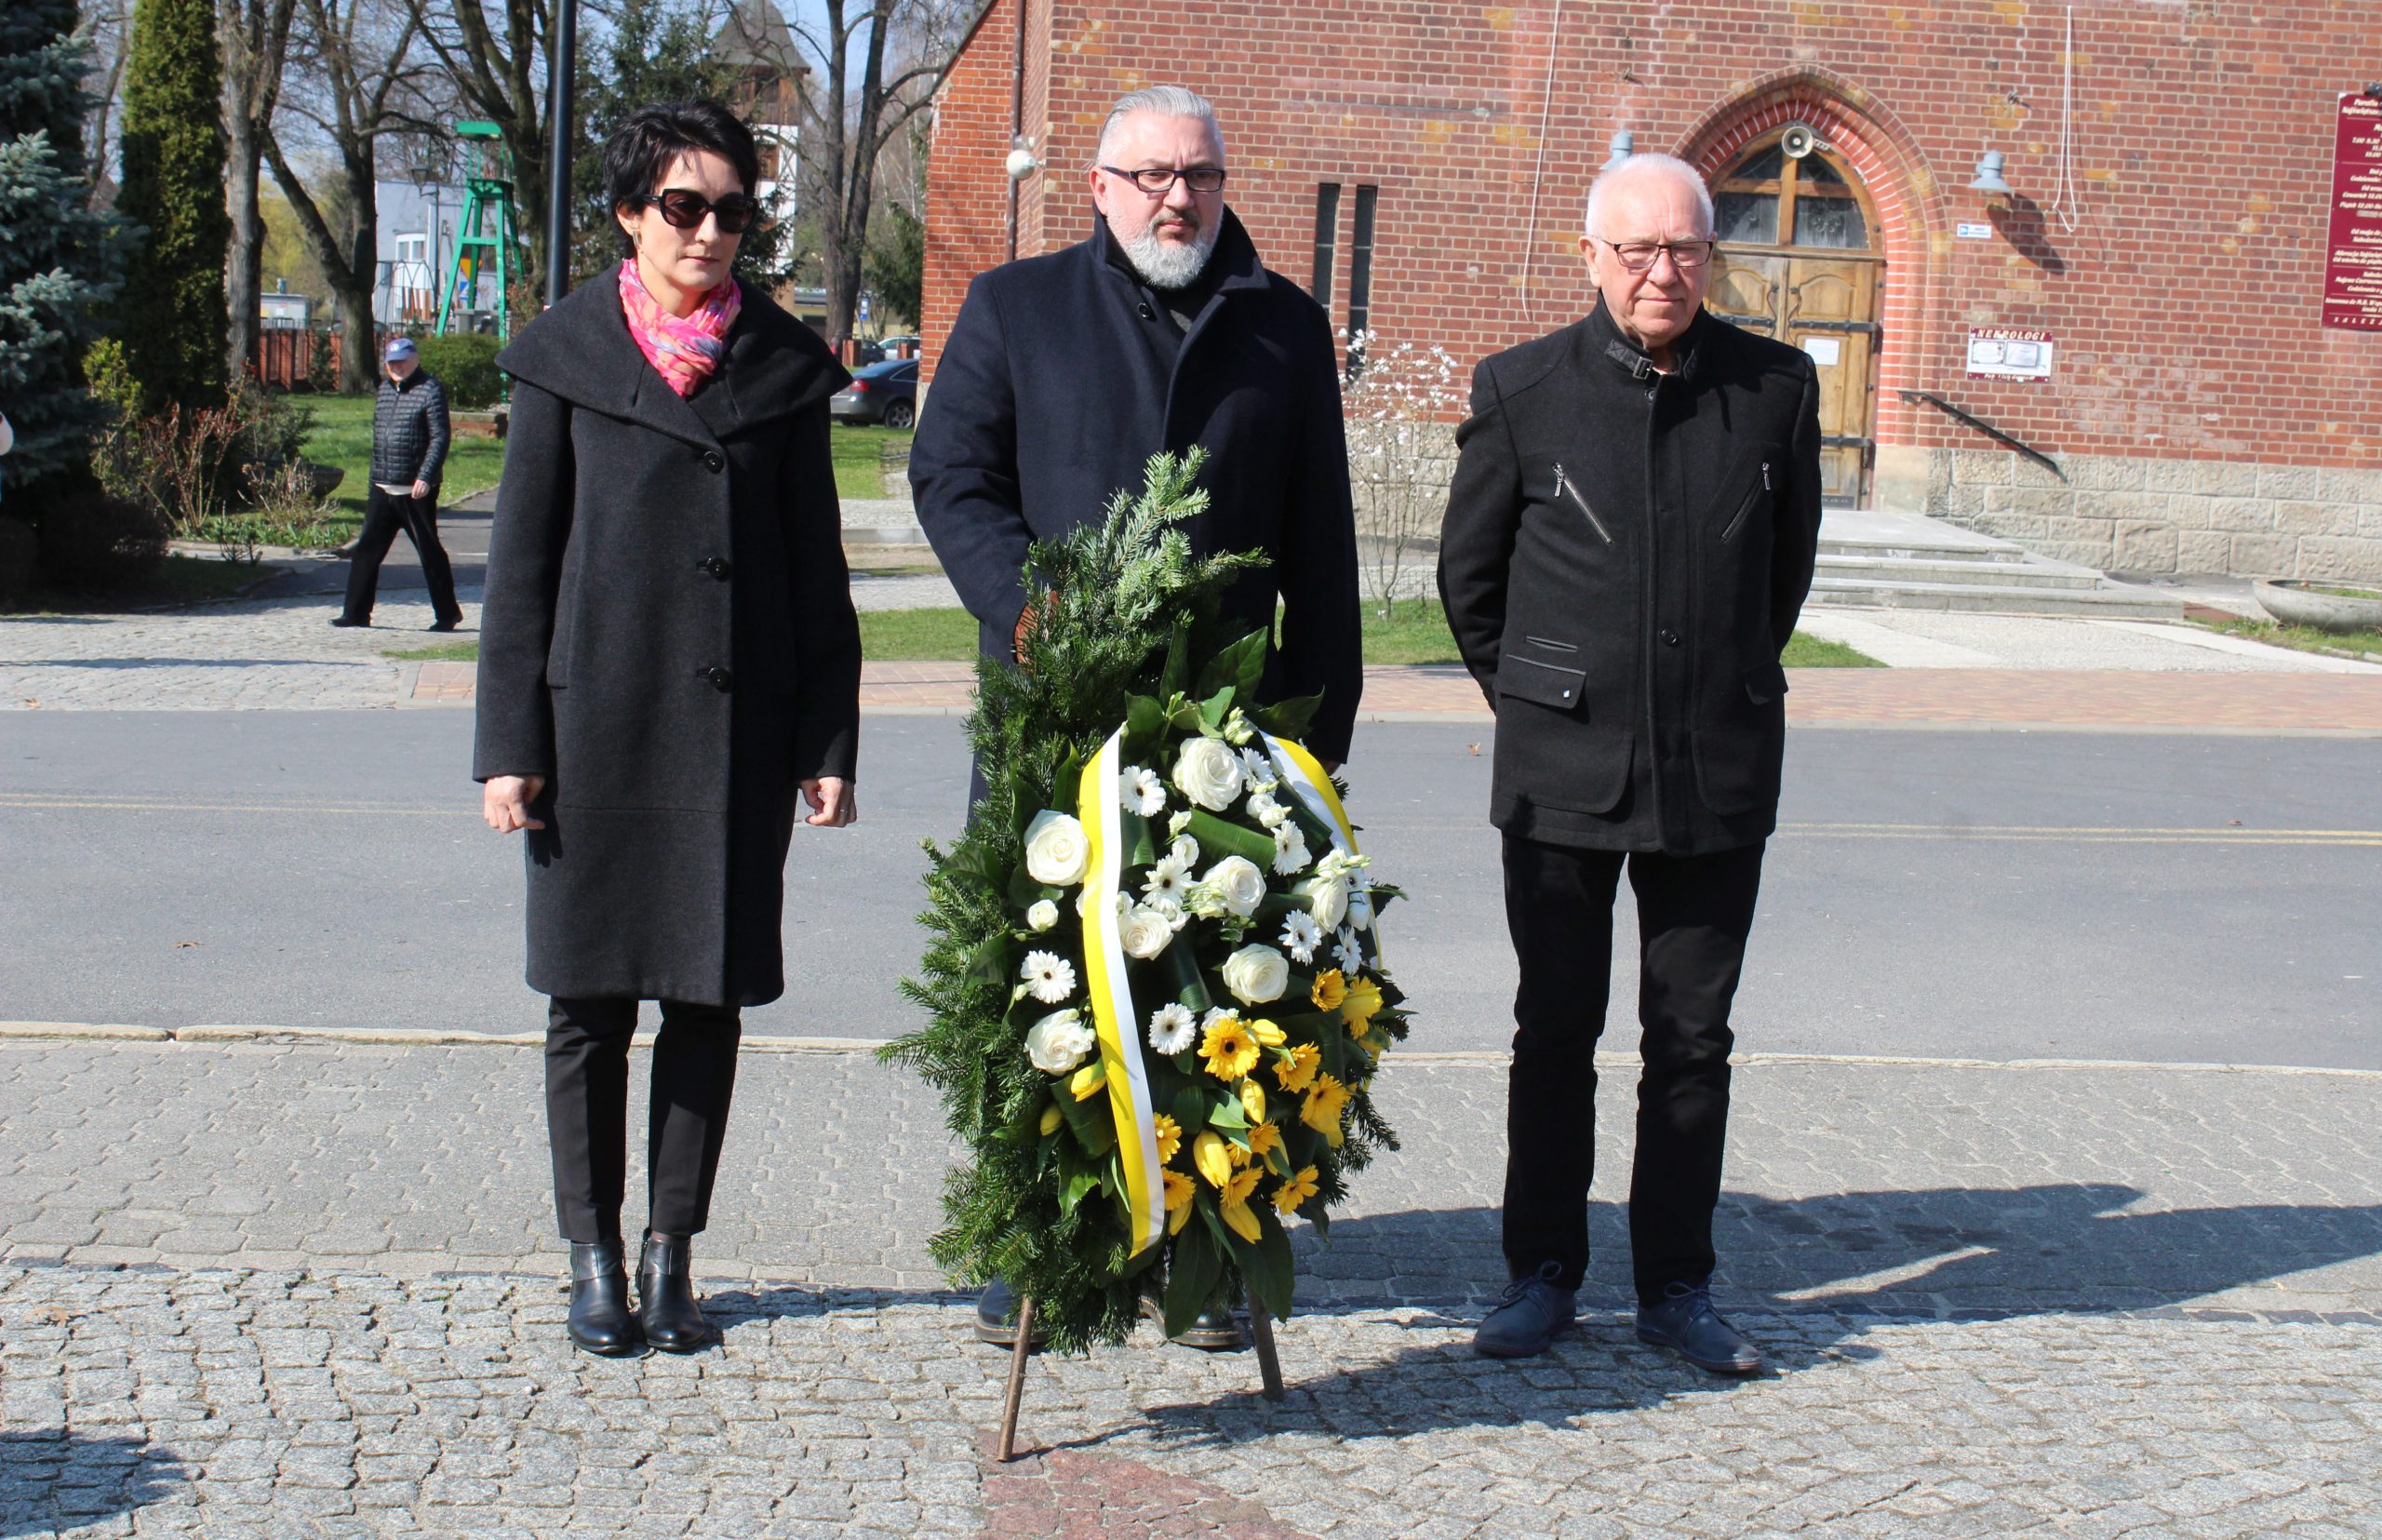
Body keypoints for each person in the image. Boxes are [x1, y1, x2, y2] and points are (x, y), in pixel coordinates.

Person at [909, 83, 1364, 1351]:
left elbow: (1321, 548)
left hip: (1222, 723)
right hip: (1054, 711)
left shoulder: (1284, 329)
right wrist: (1025, 605)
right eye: (1154, 174)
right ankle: (1035, 1236)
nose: (1180, 196)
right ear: (1099, 187)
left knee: (1214, 980)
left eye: (1202, 174)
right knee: (1040, 978)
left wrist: (1320, 742)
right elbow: (948, 473)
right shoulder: (1015, 308)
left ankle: (1204, 1250)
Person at [474, 100, 863, 1359]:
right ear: (632, 214)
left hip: (738, 734)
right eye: (683, 207)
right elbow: (521, 572)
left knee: (706, 999)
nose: (708, 232)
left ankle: (671, 1250)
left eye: (731, 211)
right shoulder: (562, 356)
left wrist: (828, 741)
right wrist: (506, 745)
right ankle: (591, 1253)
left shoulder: (785, 369)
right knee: (587, 1006)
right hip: (592, 736)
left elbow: (818, 574)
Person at [1437, 153, 1824, 1372]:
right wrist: (1553, 698)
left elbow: (1783, 574)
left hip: (1716, 769)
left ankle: (1678, 1284)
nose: (1665, 273)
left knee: (1691, 1041)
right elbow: (1471, 581)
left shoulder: (1775, 389)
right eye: (1639, 251)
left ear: (1713, 256)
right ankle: (1540, 1270)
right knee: (1554, 1031)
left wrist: (1711, 680)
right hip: (1563, 772)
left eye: (1688, 250)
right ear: (1593, 256)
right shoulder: (1523, 390)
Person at [331, 338, 464, 632]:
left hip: (414, 489)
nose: (397, 367)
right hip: (382, 485)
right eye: (392, 362)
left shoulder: (430, 389)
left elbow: (440, 437)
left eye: (402, 360)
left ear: (415, 359)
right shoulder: (384, 390)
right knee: (367, 551)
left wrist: (426, 476)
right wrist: (373, 480)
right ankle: (355, 612)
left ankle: (447, 614)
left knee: (429, 551)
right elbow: (380, 437)